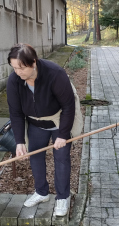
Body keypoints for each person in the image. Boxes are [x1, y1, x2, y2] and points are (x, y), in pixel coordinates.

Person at [7, 43, 75, 216]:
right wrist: (20, 141)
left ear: (34, 62)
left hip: (58, 120)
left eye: (21, 68)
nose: (18, 72)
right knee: (35, 156)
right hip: (36, 123)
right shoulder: (14, 80)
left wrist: (63, 135)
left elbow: (68, 106)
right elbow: (15, 113)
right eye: (14, 68)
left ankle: (62, 197)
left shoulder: (55, 74)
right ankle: (41, 192)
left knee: (61, 158)